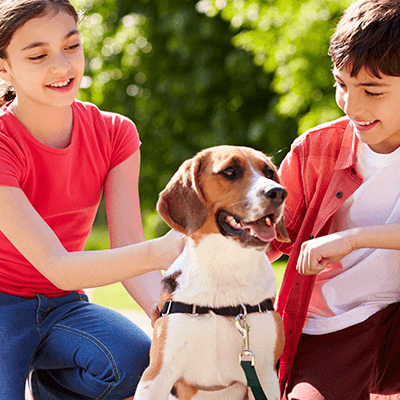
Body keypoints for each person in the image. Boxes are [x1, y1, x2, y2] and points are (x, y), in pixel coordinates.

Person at [0, 0, 183, 399]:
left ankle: (54, 383)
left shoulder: (115, 133)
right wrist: (162, 250)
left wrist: (167, 318)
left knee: (135, 361)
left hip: (63, 306)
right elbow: (57, 266)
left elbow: (128, 248)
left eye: (71, 46)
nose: (62, 66)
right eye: (38, 55)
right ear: (4, 68)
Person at [268, 0, 400, 399]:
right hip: (332, 323)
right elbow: (267, 237)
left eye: (372, 91)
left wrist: (354, 237)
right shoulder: (315, 150)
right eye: (342, 85)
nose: (353, 107)